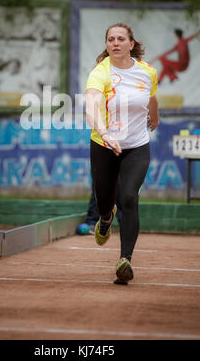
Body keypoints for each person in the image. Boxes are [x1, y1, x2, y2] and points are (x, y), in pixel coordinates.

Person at [85, 23, 159, 284]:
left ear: (131, 43)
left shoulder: (148, 72)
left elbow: (151, 96)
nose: (115, 43)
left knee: (128, 197)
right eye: (110, 39)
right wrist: (105, 133)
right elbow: (92, 105)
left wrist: (155, 115)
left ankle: (124, 260)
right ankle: (106, 218)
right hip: (104, 145)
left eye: (120, 39)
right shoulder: (100, 73)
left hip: (137, 146)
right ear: (106, 45)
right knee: (105, 201)